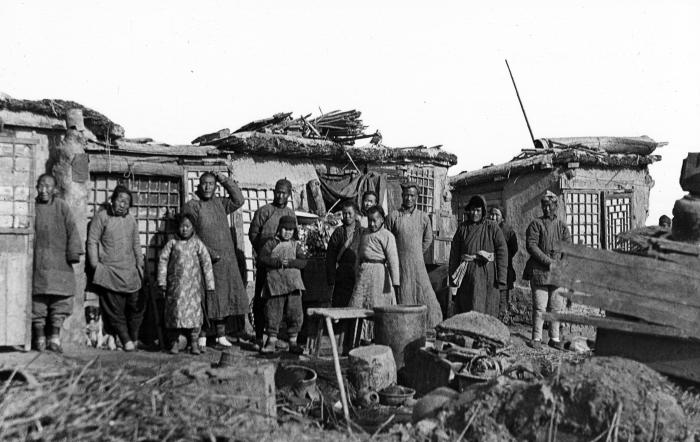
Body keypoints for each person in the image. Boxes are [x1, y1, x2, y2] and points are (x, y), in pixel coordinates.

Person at [183, 172, 246, 349]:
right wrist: (207, 252)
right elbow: (189, 233)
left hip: (225, 260)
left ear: (215, 186)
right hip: (203, 259)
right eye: (204, 183)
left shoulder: (221, 203)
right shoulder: (192, 206)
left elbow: (239, 200)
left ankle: (220, 335)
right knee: (204, 297)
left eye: (211, 184)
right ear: (198, 185)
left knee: (224, 296)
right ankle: (202, 335)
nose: (207, 187)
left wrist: (224, 180)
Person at [87, 185, 144, 352]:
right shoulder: (102, 217)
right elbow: (92, 241)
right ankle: (126, 340)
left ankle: (133, 337)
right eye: (120, 200)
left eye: (127, 202)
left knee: (135, 307)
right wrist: (95, 264)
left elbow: (136, 243)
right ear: (112, 200)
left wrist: (140, 264)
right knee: (114, 309)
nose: (123, 205)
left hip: (130, 272)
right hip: (109, 271)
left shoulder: (131, 220)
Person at [32, 174, 83, 352]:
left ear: (54, 190)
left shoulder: (62, 206)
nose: (44, 190)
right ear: (36, 187)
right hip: (37, 261)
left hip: (60, 261)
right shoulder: (32, 207)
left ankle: (54, 338)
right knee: (37, 302)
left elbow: (72, 229)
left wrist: (73, 253)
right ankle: (39, 338)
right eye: (41, 186)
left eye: (48, 187)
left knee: (60, 302)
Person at [386, 182, 442, 328]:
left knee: (426, 294)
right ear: (402, 196)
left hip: (418, 263)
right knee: (404, 293)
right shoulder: (394, 216)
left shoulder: (423, 218)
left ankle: (430, 324)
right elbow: (387, 238)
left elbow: (428, 239)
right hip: (399, 264)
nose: (409, 198)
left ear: (417, 197)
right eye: (406, 195)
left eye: (412, 195)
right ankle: (405, 327)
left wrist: (417, 251)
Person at [157, 213, 215, 355]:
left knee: (194, 317)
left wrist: (210, 284)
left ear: (193, 228)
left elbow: (206, 263)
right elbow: (162, 261)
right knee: (174, 315)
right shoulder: (172, 244)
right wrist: (161, 281)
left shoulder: (197, 244)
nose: (184, 229)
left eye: (187, 226)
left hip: (193, 289)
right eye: (182, 226)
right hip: (175, 289)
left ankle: (194, 343)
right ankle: (174, 343)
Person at [249, 178, 296, 345]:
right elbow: (253, 234)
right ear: (274, 192)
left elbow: (294, 236)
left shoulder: (290, 213)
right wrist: (265, 251)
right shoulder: (264, 211)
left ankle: (277, 335)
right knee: (261, 298)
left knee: (282, 301)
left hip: (284, 266)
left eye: (284, 193)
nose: (280, 195)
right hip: (266, 262)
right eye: (278, 192)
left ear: (289, 195)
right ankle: (259, 335)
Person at [523, 190, 572, 351]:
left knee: (555, 308)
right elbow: (531, 245)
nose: (547, 209)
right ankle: (536, 338)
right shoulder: (536, 224)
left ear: (556, 207)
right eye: (544, 206)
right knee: (540, 307)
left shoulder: (562, 226)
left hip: (558, 273)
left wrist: (561, 264)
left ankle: (554, 338)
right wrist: (548, 262)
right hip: (539, 271)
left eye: (550, 206)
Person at [448, 196, 507, 317]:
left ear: (483, 211)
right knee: (467, 306)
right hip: (467, 274)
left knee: (486, 307)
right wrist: (452, 275)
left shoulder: (492, 227)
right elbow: (454, 252)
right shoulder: (462, 228)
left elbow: (502, 251)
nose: (475, 213)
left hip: (486, 273)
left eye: (478, 210)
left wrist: (501, 277)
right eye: (472, 210)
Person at [349, 206, 400, 340]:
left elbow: (393, 259)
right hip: (364, 273)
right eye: (370, 220)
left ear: (382, 219)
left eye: (375, 220)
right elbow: (359, 255)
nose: (372, 224)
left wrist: (395, 282)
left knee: (376, 306)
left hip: (379, 274)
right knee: (359, 304)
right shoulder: (364, 233)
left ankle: (376, 337)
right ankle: (359, 337)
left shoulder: (387, 236)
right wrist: (357, 272)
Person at [258, 215, 307, 354]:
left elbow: (303, 262)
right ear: (279, 229)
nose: (288, 232)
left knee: (295, 313)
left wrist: (291, 262)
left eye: (291, 230)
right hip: (276, 285)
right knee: (273, 313)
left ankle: (293, 342)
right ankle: (271, 341)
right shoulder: (271, 243)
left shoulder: (296, 245)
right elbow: (262, 258)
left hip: (293, 285)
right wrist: (277, 262)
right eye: (285, 229)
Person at [326, 200, 362, 307]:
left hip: (357, 273)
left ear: (355, 214)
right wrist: (331, 279)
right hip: (342, 274)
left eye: (350, 213)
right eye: (344, 213)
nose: (347, 216)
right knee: (340, 304)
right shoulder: (338, 232)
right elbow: (330, 256)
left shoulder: (362, 232)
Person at [488, 206, 519, 321]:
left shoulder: (508, 231)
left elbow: (514, 248)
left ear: (503, 217)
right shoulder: (487, 228)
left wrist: (503, 258)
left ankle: (501, 321)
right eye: (491, 214)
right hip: (489, 268)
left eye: (497, 215)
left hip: (504, 269)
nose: (493, 217)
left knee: (502, 298)